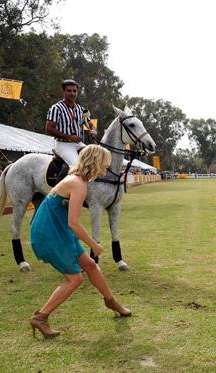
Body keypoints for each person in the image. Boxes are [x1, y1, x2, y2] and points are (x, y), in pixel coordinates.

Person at [28, 144, 131, 339]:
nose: (106, 169)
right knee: (75, 279)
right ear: (95, 162)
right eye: (104, 164)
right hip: (49, 233)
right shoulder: (78, 184)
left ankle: (111, 301)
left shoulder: (79, 181)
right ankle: (40, 318)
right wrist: (94, 244)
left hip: (58, 229)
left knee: (90, 266)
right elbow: (74, 223)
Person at [45, 79, 97, 167]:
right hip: (63, 145)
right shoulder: (56, 108)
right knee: (77, 167)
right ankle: (66, 180)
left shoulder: (82, 109)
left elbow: (91, 125)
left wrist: (93, 131)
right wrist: (69, 137)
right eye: (69, 90)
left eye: (74, 91)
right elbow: (48, 129)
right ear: (63, 91)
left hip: (79, 144)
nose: (72, 93)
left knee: (97, 159)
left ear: (77, 92)